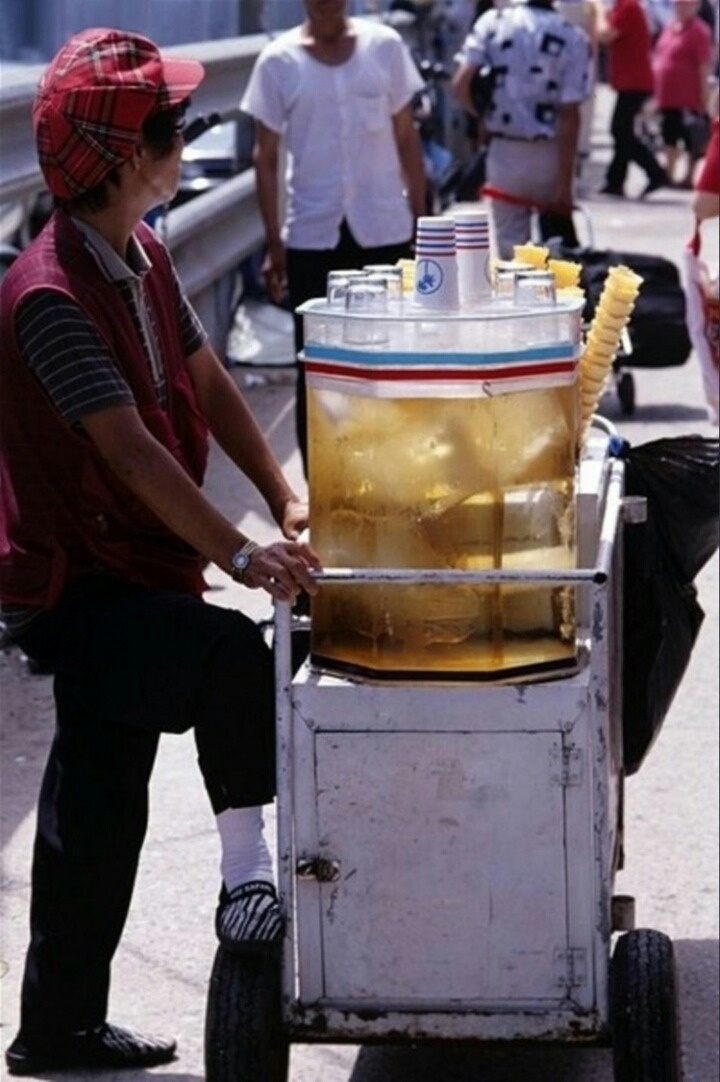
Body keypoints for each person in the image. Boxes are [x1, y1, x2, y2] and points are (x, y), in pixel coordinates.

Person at [0, 27, 321, 1076]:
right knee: (226, 657)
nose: (185, 141)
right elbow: (131, 453)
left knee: (95, 808)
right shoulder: (49, 296)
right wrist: (243, 554)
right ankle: (246, 877)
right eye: (171, 129)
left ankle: (57, 1028)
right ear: (122, 156)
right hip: (77, 581)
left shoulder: (140, 251)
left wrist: (283, 492)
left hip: (130, 563)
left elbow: (206, 376)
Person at [241, 0, 427, 475]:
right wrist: (274, 244)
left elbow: (407, 137)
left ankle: (390, 476)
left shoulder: (384, 47)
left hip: (383, 230)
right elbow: (265, 157)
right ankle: (323, 487)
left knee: (389, 361)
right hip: (312, 234)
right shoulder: (279, 61)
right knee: (317, 369)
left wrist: (422, 225)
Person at [451, 0, 592, 259]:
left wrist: (483, 115)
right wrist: (565, 182)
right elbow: (570, 113)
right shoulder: (573, 37)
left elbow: (461, 83)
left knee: (511, 250)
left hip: (504, 151)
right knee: (556, 252)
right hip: (550, 154)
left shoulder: (493, 23)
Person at [596, 0, 669, 198]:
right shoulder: (623, 7)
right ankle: (615, 181)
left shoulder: (629, 6)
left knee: (620, 130)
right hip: (630, 80)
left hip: (635, 81)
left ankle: (655, 172)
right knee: (623, 131)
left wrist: (598, 11)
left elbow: (605, 35)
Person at [652, 0, 714, 188]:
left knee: (691, 138)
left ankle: (689, 176)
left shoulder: (699, 31)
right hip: (667, 95)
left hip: (688, 95)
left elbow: (704, 64)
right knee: (669, 135)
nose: (681, 8)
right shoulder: (670, 27)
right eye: (678, 4)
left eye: (686, 4)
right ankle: (669, 173)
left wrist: (704, 94)